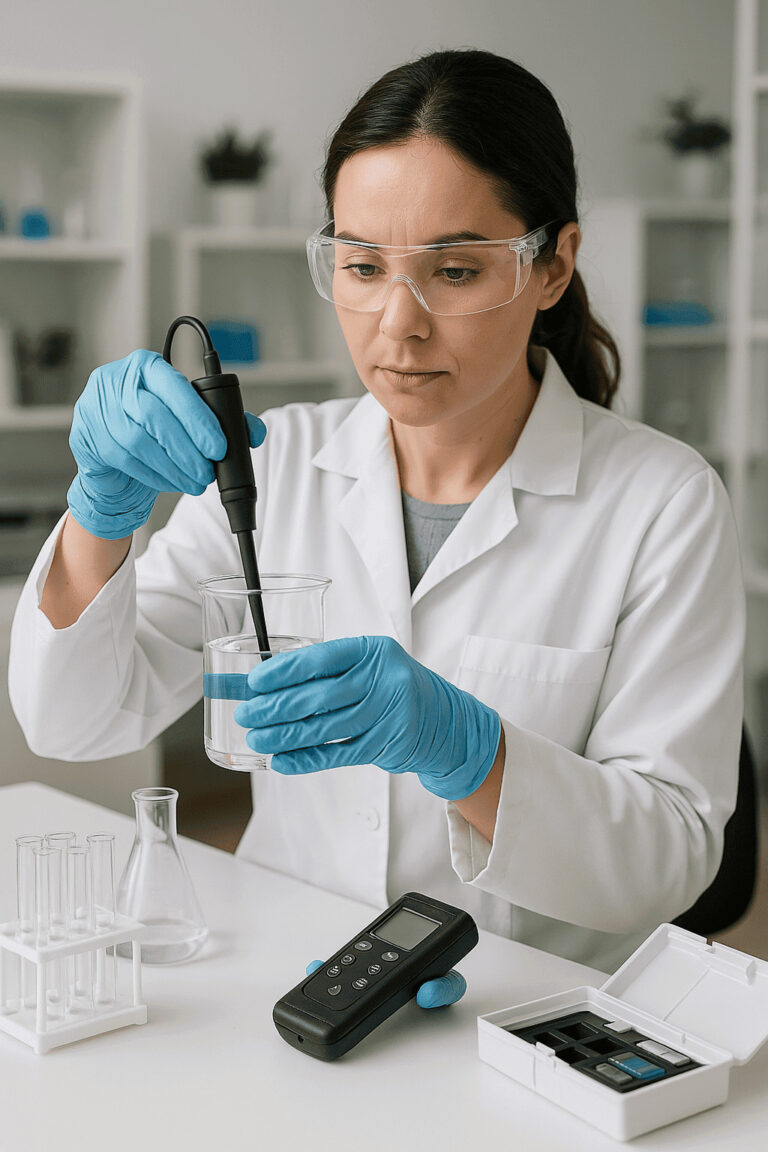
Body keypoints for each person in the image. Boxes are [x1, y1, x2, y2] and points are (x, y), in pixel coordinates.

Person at [9, 48, 744, 977]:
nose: (398, 325)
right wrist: (100, 514)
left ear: (553, 266)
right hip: (285, 975)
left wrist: (467, 749)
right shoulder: (272, 472)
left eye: (456, 273)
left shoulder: (662, 502)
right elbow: (74, 724)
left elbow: (670, 862)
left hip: (518, 1010)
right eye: (361, 266)